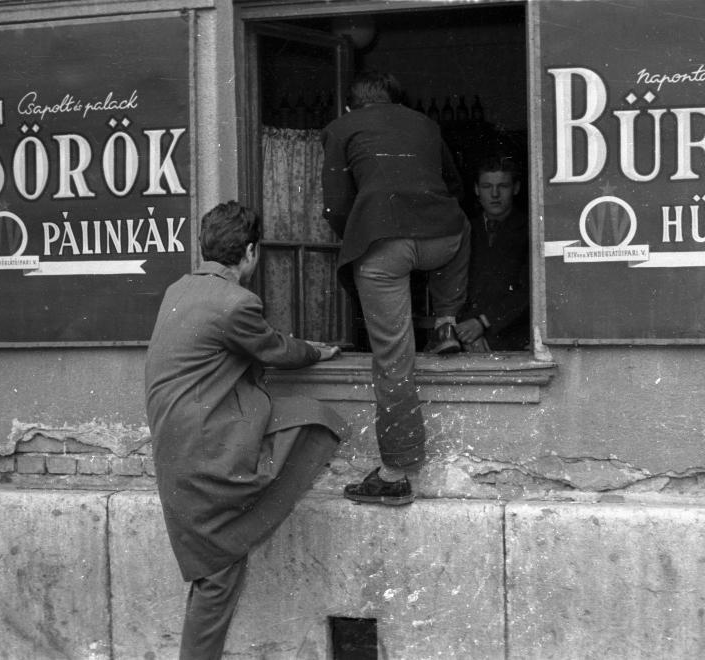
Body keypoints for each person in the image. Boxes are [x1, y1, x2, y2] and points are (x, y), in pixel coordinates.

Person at [144, 201, 348, 659]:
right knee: (218, 576)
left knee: (213, 573)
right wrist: (317, 352)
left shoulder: (178, 289)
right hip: (205, 454)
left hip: (176, 451)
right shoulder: (237, 302)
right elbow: (276, 350)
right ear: (252, 252)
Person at [321, 70, 469, 506]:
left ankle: (395, 472)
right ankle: (445, 321)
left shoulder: (341, 127)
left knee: (393, 359)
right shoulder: (425, 124)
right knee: (460, 224)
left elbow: (335, 205)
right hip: (441, 242)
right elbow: (456, 187)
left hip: (383, 246)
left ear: (352, 106)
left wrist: (361, 232)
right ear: (397, 100)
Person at [455, 156, 529, 352]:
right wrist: (466, 332)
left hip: (510, 337)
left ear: (516, 188)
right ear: (477, 189)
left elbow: (530, 291)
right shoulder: (465, 228)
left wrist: (483, 322)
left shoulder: (530, 229)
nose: (495, 194)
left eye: (503, 186)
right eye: (487, 186)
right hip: (465, 336)